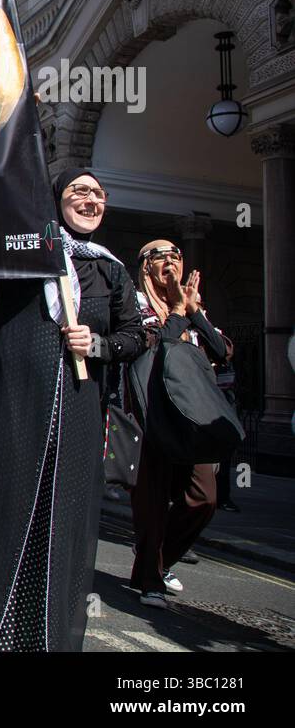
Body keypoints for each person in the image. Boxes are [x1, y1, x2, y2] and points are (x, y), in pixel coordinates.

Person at [0, 169, 149, 651]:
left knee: (60, 513)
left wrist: (100, 344)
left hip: (77, 407)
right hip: (11, 395)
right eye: (78, 192)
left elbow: (136, 335)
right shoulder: (22, 246)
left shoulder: (111, 269)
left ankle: (39, 630)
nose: (90, 201)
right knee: (2, 503)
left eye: (98, 194)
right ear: (56, 201)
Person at [128, 240, 226, 609]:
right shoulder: (136, 306)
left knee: (204, 498)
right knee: (151, 505)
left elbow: (220, 351)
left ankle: (157, 563)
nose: (170, 261)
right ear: (145, 267)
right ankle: (151, 579)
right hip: (151, 418)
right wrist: (176, 312)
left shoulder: (191, 306)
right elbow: (160, 346)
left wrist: (195, 312)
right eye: (160, 256)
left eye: (177, 256)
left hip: (190, 420)